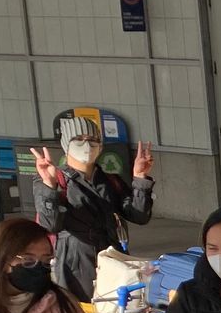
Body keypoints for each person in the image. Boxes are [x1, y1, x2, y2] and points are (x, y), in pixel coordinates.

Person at [29, 118, 153, 302]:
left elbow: (139, 215)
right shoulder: (54, 179)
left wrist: (141, 179)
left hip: (112, 258)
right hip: (74, 262)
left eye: (93, 140)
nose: (87, 145)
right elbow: (50, 225)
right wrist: (49, 185)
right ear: (66, 144)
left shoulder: (110, 181)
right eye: (79, 139)